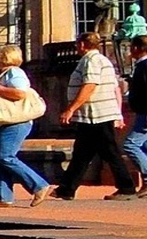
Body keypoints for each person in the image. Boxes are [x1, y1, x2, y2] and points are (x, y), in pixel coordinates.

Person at [55, 32, 143, 200]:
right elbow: (115, 88)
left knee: (109, 152)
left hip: (96, 115)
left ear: (82, 45)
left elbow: (90, 85)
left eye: (77, 44)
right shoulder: (103, 60)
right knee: (82, 153)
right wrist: (117, 113)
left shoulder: (91, 61)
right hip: (93, 115)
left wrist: (71, 109)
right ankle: (66, 189)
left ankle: (126, 187)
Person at [0, 44, 52, 207]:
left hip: (15, 123)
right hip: (2, 122)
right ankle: (2, 196)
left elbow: (20, 93)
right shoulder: (4, 74)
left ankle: (39, 185)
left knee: (5, 156)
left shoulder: (15, 73)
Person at [124, 36, 147, 181]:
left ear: (137, 48)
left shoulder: (143, 66)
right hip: (142, 111)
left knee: (130, 145)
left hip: (145, 112)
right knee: (144, 146)